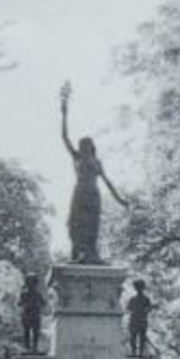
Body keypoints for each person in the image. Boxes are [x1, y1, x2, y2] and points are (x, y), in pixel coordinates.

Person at [60, 81, 128, 263]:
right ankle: (79, 253)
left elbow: (108, 182)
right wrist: (64, 113)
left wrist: (120, 199)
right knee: (77, 224)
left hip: (93, 194)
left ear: (92, 147)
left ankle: (92, 254)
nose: (83, 148)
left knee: (93, 226)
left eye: (86, 145)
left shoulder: (97, 162)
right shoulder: (77, 158)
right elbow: (64, 137)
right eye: (82, 145)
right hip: (80, 193)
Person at [127, 279, 152, 356]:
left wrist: (145, 310)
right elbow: (129, 308)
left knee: (142, 338)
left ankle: (140, 353)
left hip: (142, 321)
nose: (139, 290)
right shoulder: (133, 299)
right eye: (137, 288)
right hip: (134, 320)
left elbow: (149, 308)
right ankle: (133, 352)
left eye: (140, 288)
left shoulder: (146, 299)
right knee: (133, 338)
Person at [20, 273, 43, 352]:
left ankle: (34, 347)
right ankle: (27, 347)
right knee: (26, 332)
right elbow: (19, 303)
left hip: (35, 315)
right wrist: (26, 305)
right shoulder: (24, 294)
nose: (31, 284)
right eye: (29, 282)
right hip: (27, 315)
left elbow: (43, 303)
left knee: (36, 332)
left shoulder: (38, 294)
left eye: (33, 282)